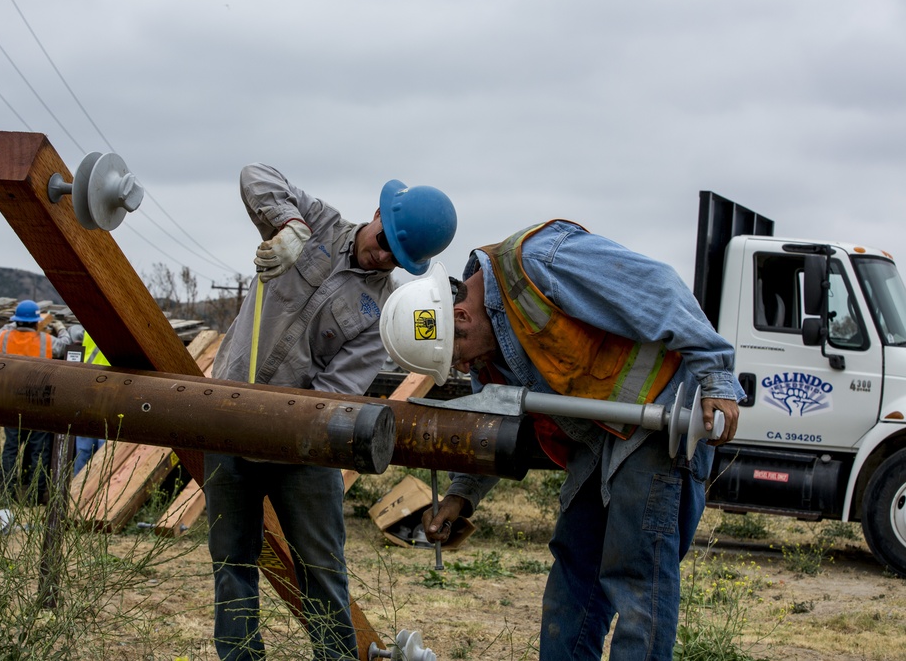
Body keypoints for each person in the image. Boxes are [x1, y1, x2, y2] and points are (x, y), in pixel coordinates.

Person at [379, 220, 743, 660]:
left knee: (637, 581)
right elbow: (491, 416)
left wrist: (717, 377)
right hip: (597, 443)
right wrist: (460, 495)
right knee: (573, 576)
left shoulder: (539, 263)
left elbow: (657, 289)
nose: (462, 368)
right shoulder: (485, 345)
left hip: (658, 420)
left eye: (457, 357)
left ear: (460, 316)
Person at [204, 162, 457, 660]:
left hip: (301, 448)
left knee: (321, 570)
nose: (382, 256)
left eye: (396, 258)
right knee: (232, 561)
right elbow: (255, 174)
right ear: (377, 213)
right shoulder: (314, 221)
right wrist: (288, 226)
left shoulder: (378, 315)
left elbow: (332, 393)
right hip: (228, 419)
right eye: (384, 239)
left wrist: (278, 424)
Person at [0, 299, 72, 505]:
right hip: (38, 402)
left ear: (16, 320)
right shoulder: (46, 340)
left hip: (11, 400)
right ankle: (34, 497)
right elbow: (65, 344)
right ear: (37, 322)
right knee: (39, 450)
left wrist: (13, 323)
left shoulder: (4, 338)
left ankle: (6, 494)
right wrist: (60, 328)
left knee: (11, 448)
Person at [67, 327, 109, 475]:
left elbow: (73, 331)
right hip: (110, 390)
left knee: (84, 447)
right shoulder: (119, 332)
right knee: (103, 449)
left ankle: (77, 489)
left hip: (88, 387)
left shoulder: (89, 327)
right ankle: (97, 490)